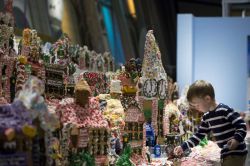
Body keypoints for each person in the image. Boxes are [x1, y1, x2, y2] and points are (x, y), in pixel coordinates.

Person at [174, 80, 248, 166]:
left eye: (197, 105)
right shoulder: (206, 116)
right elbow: (198, 135)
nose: (196, 108)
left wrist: (236, 140)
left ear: (207, 99)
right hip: (225, 153)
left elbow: (242, 125)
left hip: (236, 153)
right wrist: (183, 147)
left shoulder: (224, 110)